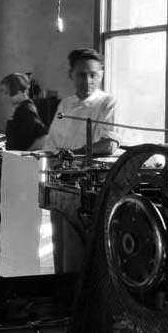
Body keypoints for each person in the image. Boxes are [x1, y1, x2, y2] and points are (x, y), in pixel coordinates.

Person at [44, 49, 118, 274]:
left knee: (81, 248)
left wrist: (73, 154)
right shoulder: (65, 105)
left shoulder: (107, 102)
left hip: (90, 184)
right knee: (60, 242)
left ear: (101, 74)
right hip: (61, 181)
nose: (88, 80)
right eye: (81, 74)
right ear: (71, 75)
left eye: (93, 74)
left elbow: (109, 144)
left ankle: (81, 298)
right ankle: (63, 293)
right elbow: (51, 143)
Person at [0, 73, 46, 151]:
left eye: (6, 93)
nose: (4, 96)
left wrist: (25, 156)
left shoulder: (27, 109)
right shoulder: (19, 108)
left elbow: (42, 138)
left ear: (18, 92)